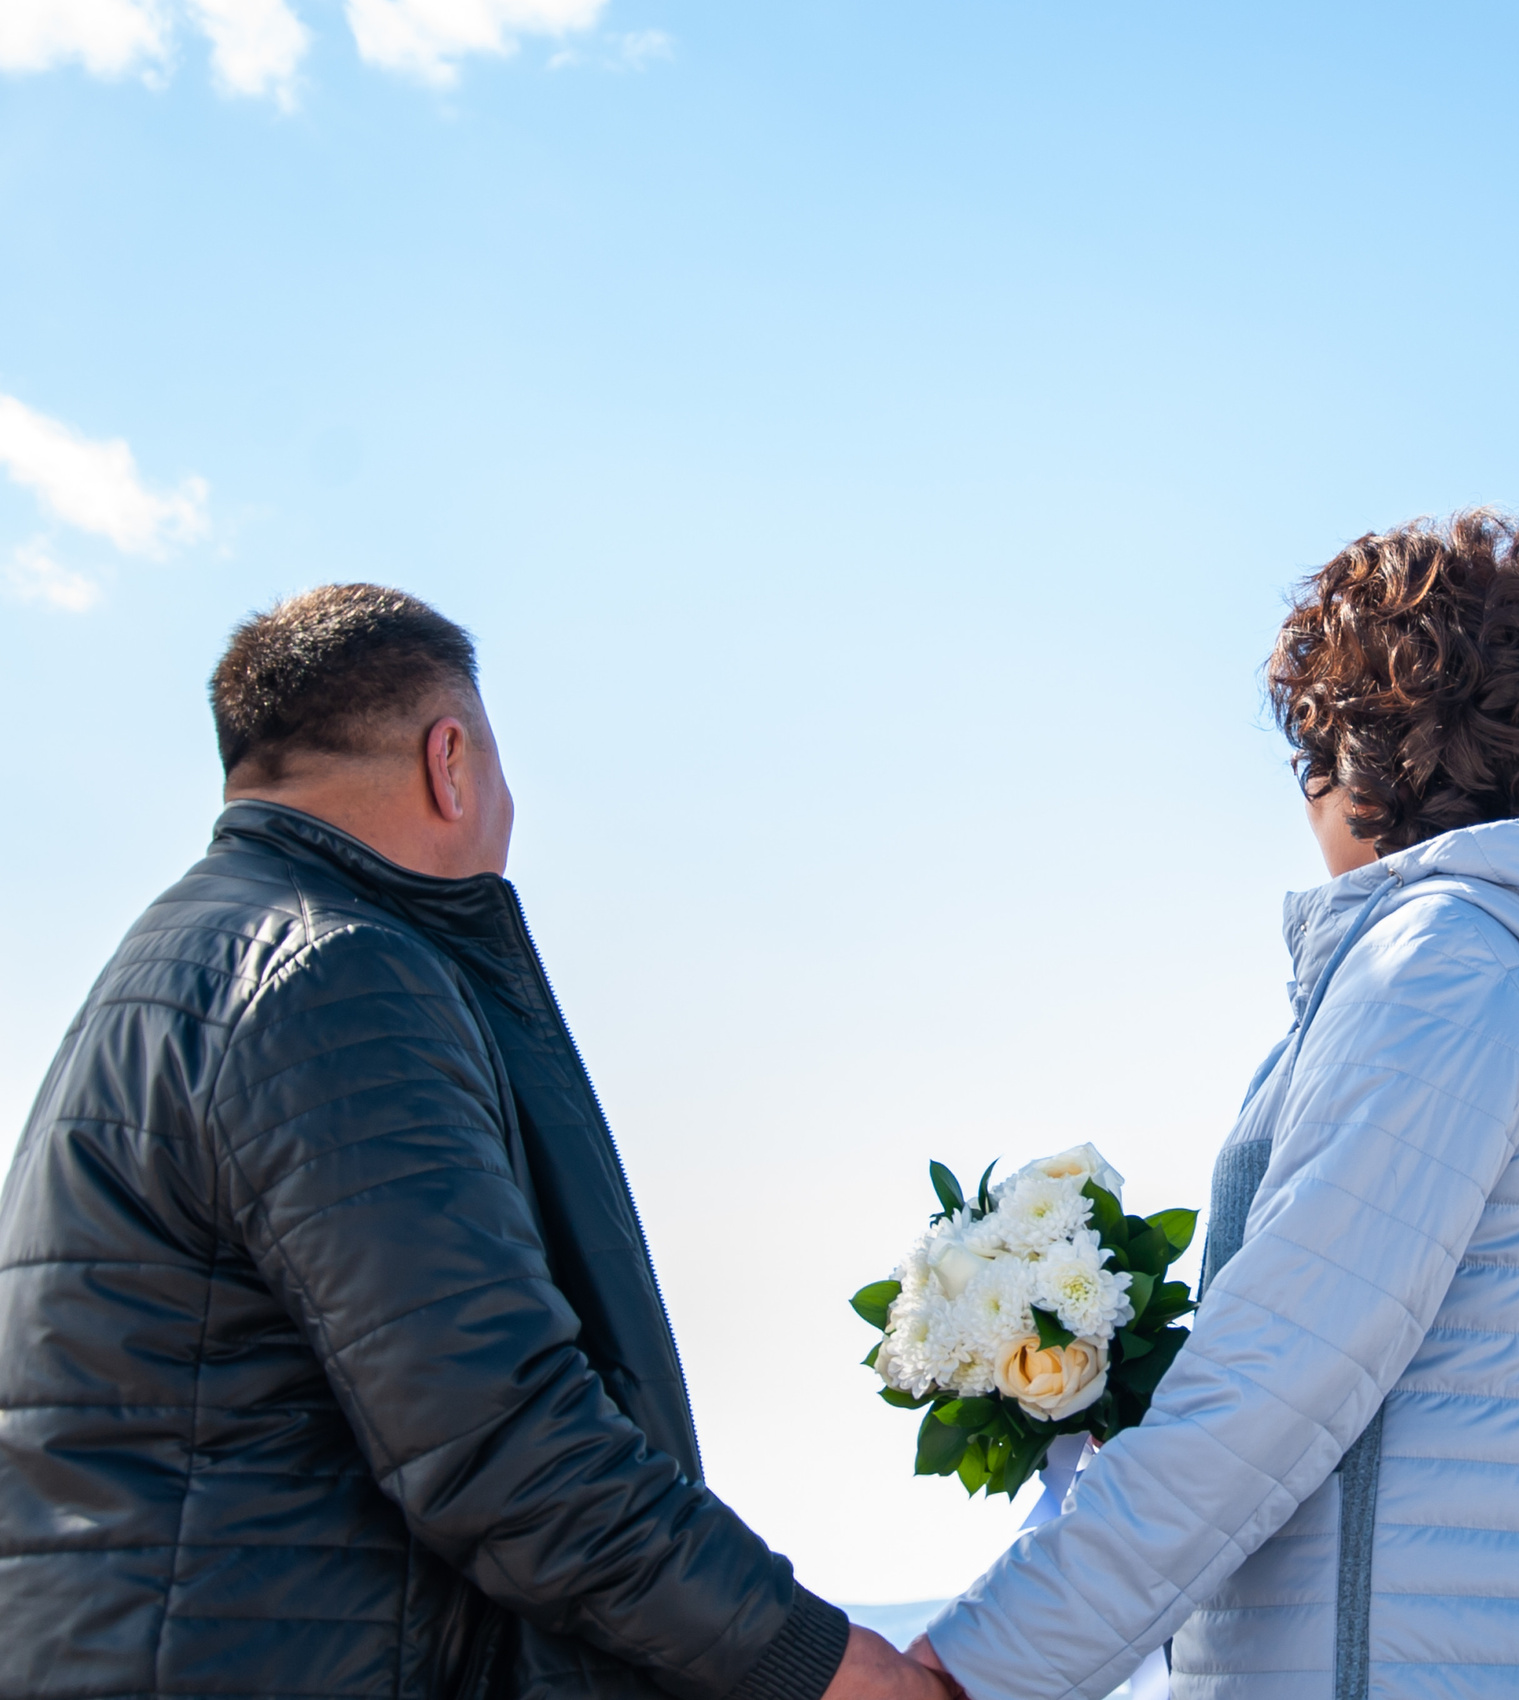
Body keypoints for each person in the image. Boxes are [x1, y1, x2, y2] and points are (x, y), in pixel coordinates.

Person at [0, 585, 946, 1700]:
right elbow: (503, 1438)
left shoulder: (174, 961)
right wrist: (825, 1663)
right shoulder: (335, 975)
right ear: (450, 762)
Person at [913, 512, 1519, 1699]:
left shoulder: (1442, 971)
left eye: (1309, 751)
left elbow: (1271, 1382)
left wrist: (969, 1670)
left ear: (1365, 753)